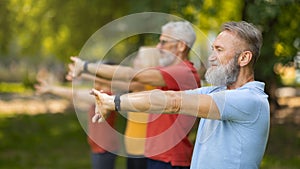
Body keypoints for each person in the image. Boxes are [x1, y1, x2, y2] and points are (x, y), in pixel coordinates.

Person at [90, 21, 270, 169]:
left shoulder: (249, 100)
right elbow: (163, 98)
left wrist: (114, 102)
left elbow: (173, 102)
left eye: (219, 50)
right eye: (212, 49)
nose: (211, 57)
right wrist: (112, 102)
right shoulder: (216, 91)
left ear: (244, 58)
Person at [68, 21, 201, 169]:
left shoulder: (184, 72)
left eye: (163, 42)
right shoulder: (170, 73)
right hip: (158, 156)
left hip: (170, 159)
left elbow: (132, 75)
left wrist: (85, 67)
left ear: (181, 46)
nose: (158, 47)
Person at [35, 71, 119, 169]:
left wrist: (52, 89)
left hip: (105, 148)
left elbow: (75, 94)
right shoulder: (100, 94)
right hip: (98, 147)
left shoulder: (107, 97)